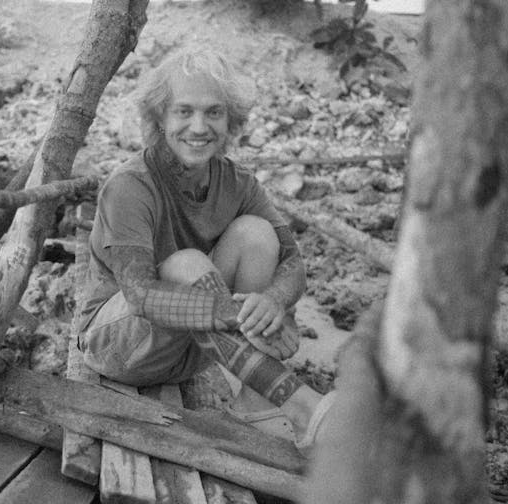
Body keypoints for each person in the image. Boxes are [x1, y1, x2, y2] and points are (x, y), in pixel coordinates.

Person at [77, 47, 332, 450]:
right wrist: (240, 314)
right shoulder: (131, 184)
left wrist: (272, 301)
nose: (199, 126)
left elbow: (292, 261)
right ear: (160, 117)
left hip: (200, 345)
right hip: (121, 346)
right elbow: (140, 295)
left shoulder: (237, 181)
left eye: (214, 112)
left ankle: (254, 402)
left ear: (230, 120)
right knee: (186, 263)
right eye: (184, 111)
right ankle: (301, 406)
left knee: (256, 233)